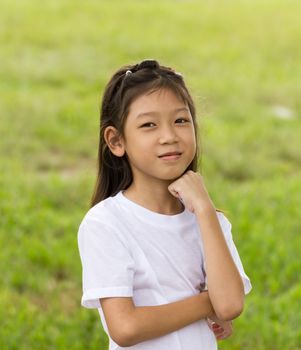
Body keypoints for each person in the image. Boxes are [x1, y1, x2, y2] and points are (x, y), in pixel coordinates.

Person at [77, 59, 252, 350]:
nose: (169, 136)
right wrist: (208, 302)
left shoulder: (210, 221)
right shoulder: (105, 223)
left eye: (181, 121)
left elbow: (231, 305)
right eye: (149, 125)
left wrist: (205, 211)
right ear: (116, 140)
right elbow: (126, 327)